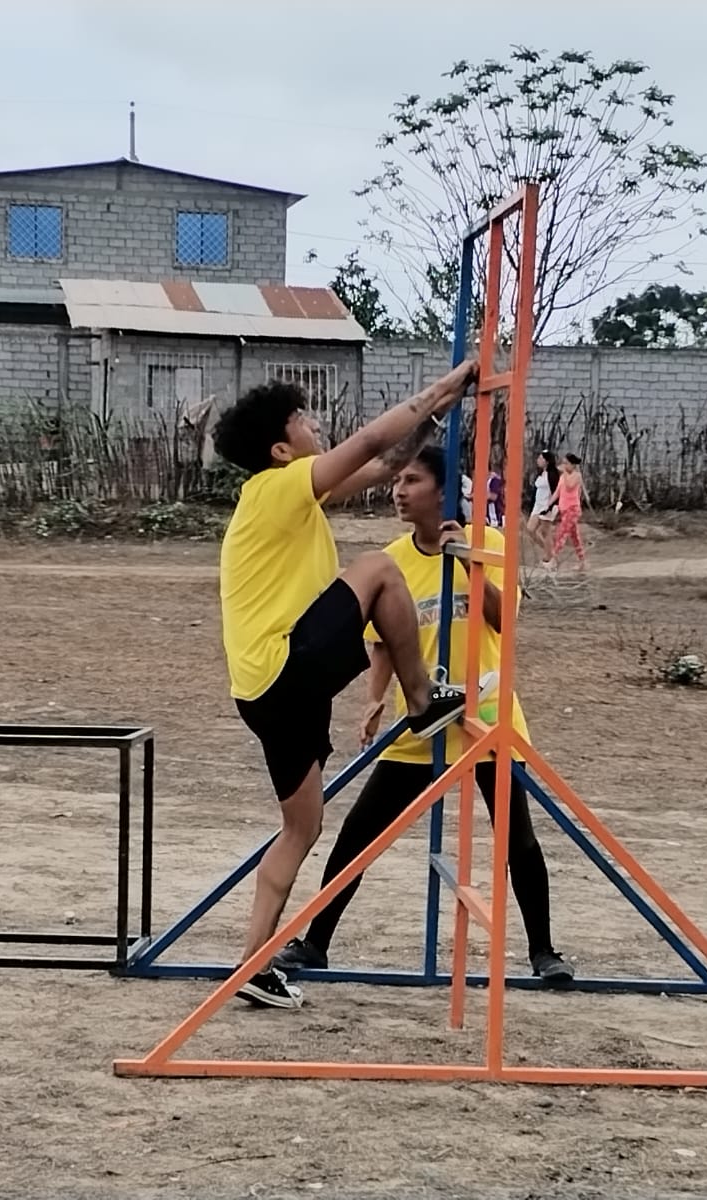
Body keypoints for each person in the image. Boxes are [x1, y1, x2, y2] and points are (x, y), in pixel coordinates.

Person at [212, 365, 477, 1009]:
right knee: (380, 568)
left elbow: (385, 464)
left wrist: (435, 420)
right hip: (284, 666)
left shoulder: (290, 493)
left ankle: (251, 966)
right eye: (303, 421)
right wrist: (442, 388)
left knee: (301, 827)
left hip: (262, 691)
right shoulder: (277, 486)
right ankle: (423, 699)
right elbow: (367, 444)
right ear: (282, 449)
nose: (316, 426)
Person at [273, 443, 575, 987]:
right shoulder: (393, 560)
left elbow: (504, 621)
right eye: (397, 481)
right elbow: (385, 643)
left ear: (443, 489)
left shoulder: (489, 544)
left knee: (518, 840)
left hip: (487, 720)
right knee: (358, 833)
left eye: (411, 480)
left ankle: (543, 951)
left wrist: (468, 562)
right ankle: (314, 943)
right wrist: (372, 700)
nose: (398, 491)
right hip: (423, 719)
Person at [545, 452, 587, 570]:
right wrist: (548, 504)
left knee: (562, 533)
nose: (564, 465)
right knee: (575, 537)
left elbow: (570, 486)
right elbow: (558, 492)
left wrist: (564, 472)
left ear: (572, 465)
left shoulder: (576, 475)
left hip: (572, 509)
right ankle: (582, 562)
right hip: (564, 509)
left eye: (566, 463)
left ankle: (553, 560)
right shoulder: (563, 477)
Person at [528, 450, 559, 561]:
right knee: (530, 529)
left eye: (541, 458)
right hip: (538, 505)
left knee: (546, 532)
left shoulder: (552, 475)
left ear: (547, 461)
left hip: (547, 505)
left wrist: (551, 507)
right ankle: (549, 551)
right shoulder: (541, 473)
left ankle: (549, 555)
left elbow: (556, 492)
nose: (538, 460)